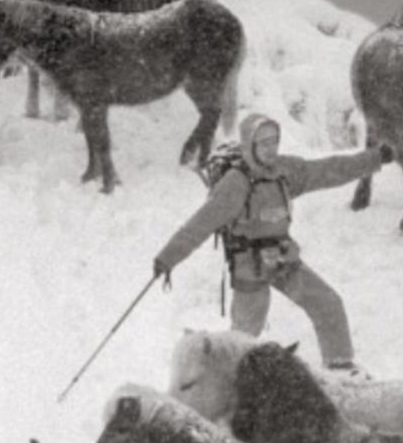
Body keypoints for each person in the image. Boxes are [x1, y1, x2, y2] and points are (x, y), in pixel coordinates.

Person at [153, 113, 389, 373]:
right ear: (250, 145)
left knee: (327, 303)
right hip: (249, 266)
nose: (270, 149)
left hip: (282, 258)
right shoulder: (236, 183)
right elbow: (200, 224)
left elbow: (330, 169)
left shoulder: (284, 170)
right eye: (263, 143)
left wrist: (377, 157)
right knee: (243, 342)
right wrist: (167, 258)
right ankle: (222, 386)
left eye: (274, 141)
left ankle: (341, 368)